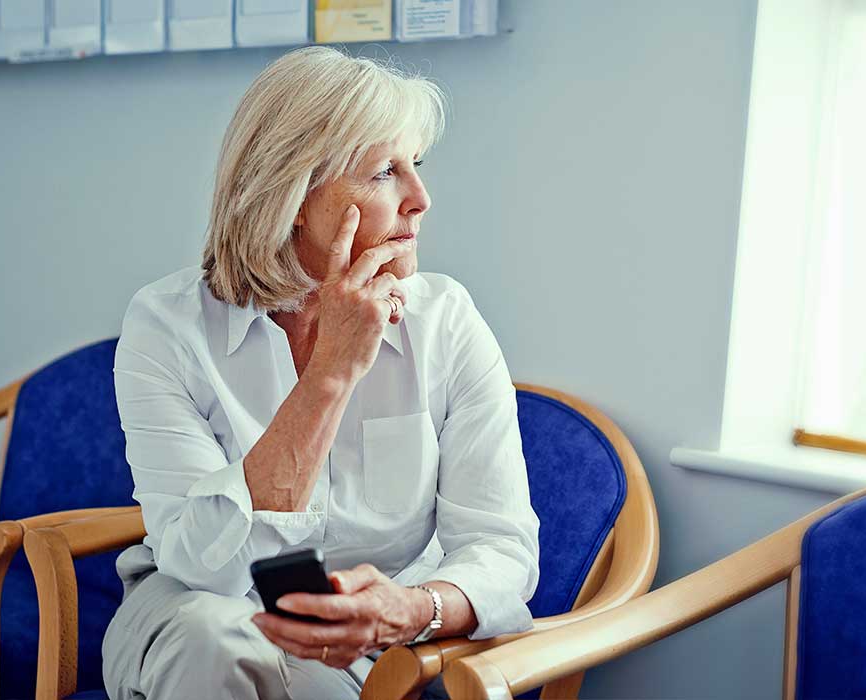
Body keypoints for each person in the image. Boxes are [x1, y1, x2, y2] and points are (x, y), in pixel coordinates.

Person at [101, 46, 540, 699]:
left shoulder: (445, 320)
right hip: (195, 613)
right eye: (385, 172)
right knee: (213, 639)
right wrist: (330, 375)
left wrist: (414, 608)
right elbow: (205, 569)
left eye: (416, 165)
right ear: (294, 196)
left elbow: (503, 549)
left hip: (378, 647)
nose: (420, 199)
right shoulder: (167, 326)